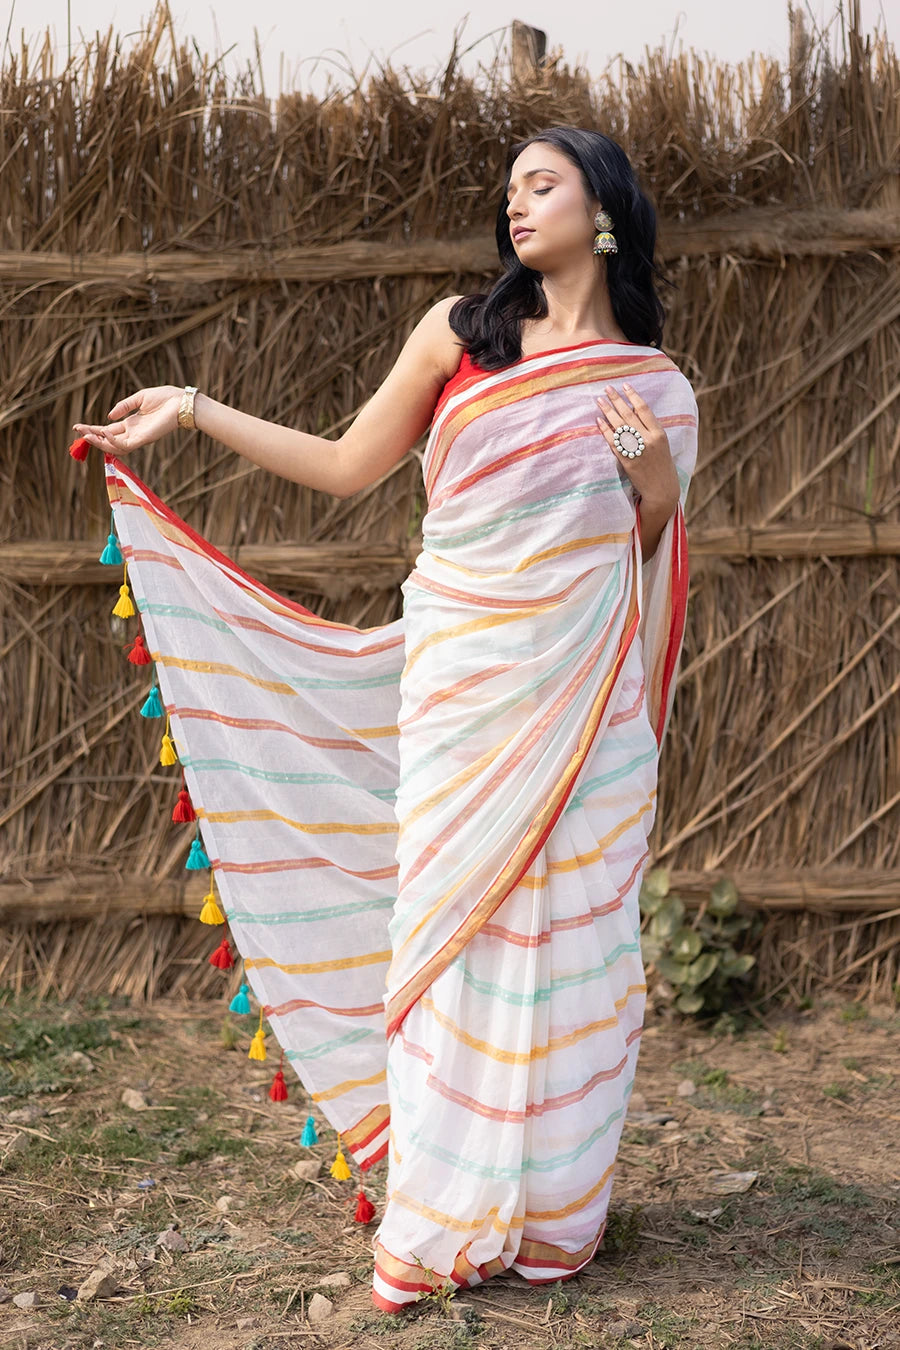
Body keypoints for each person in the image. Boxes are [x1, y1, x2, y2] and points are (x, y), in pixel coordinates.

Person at [73, 125, 697, 1311]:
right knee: (448, 932)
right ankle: (440, 1218)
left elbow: (650, 551)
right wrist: (193, 409)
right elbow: (347, 462)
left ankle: (552, 1213)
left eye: (543, 184)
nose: (516, 204)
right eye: (508, 189)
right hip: (465, 686)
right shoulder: (461, 336)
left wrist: (655, 479)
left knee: (579, 944)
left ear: (605, 209)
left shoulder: (652, 388)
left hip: (582, 711)